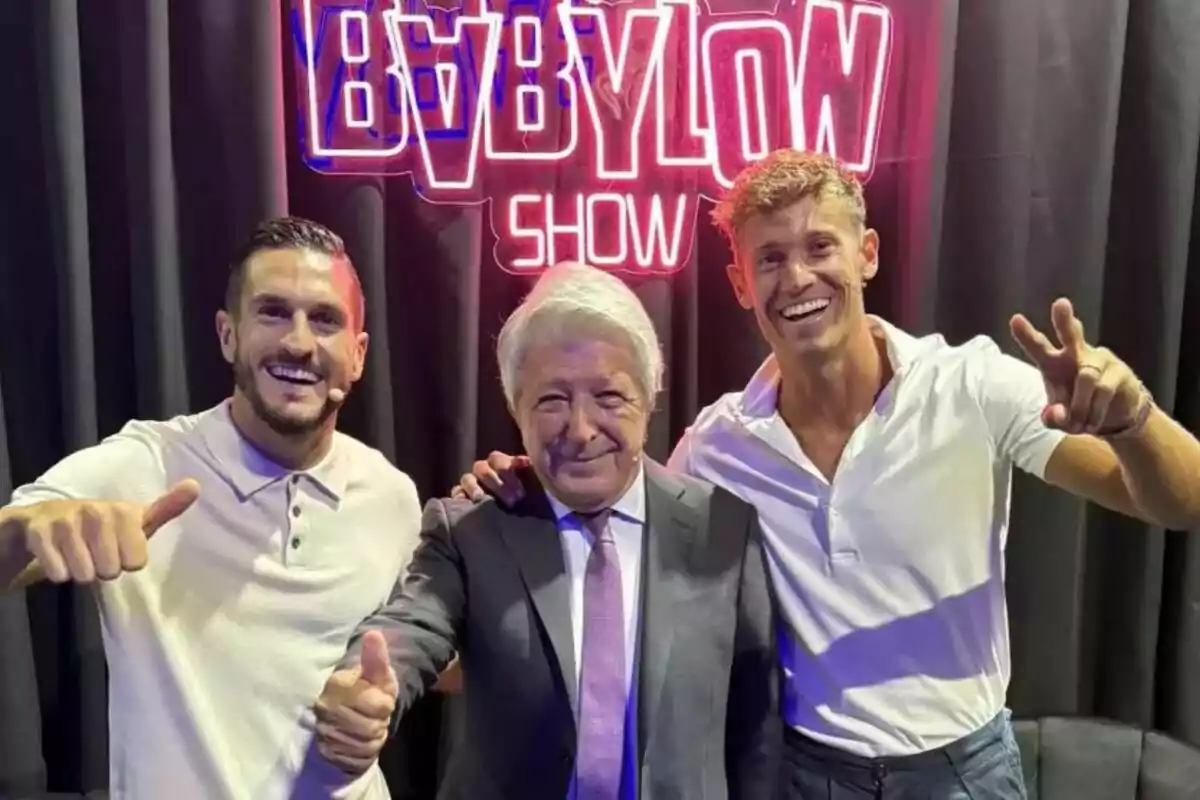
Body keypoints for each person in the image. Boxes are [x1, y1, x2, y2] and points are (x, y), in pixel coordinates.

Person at [451, 150, 1200, 799]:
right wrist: (529, 483)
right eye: (769, 259)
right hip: (808, 776)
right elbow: (611, 533)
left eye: (819, 246)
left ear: (867, 253)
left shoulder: (969, 385)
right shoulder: (719, 445)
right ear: (741, 285)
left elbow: (1180, 502)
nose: (797, 276)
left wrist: (1133, 423)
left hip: (963, 773)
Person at [312, 262, 781, 798]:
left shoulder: (723, 527)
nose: (580, 431)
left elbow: (756, 725)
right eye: (552, 400)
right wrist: (367, 686)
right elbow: (412, 625)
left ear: (650, 398)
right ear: (516, 408)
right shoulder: (473, 528)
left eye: (608, 397)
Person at [0, 217, 423, 799]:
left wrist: (381, 700)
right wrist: (26, 528)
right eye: (273, 312)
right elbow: (15, 542)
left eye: (324, 319)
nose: (299, 342)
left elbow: (414, 647)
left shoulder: (391, 494)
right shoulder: (147, 463)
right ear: (228, 336)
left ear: (357, 353)